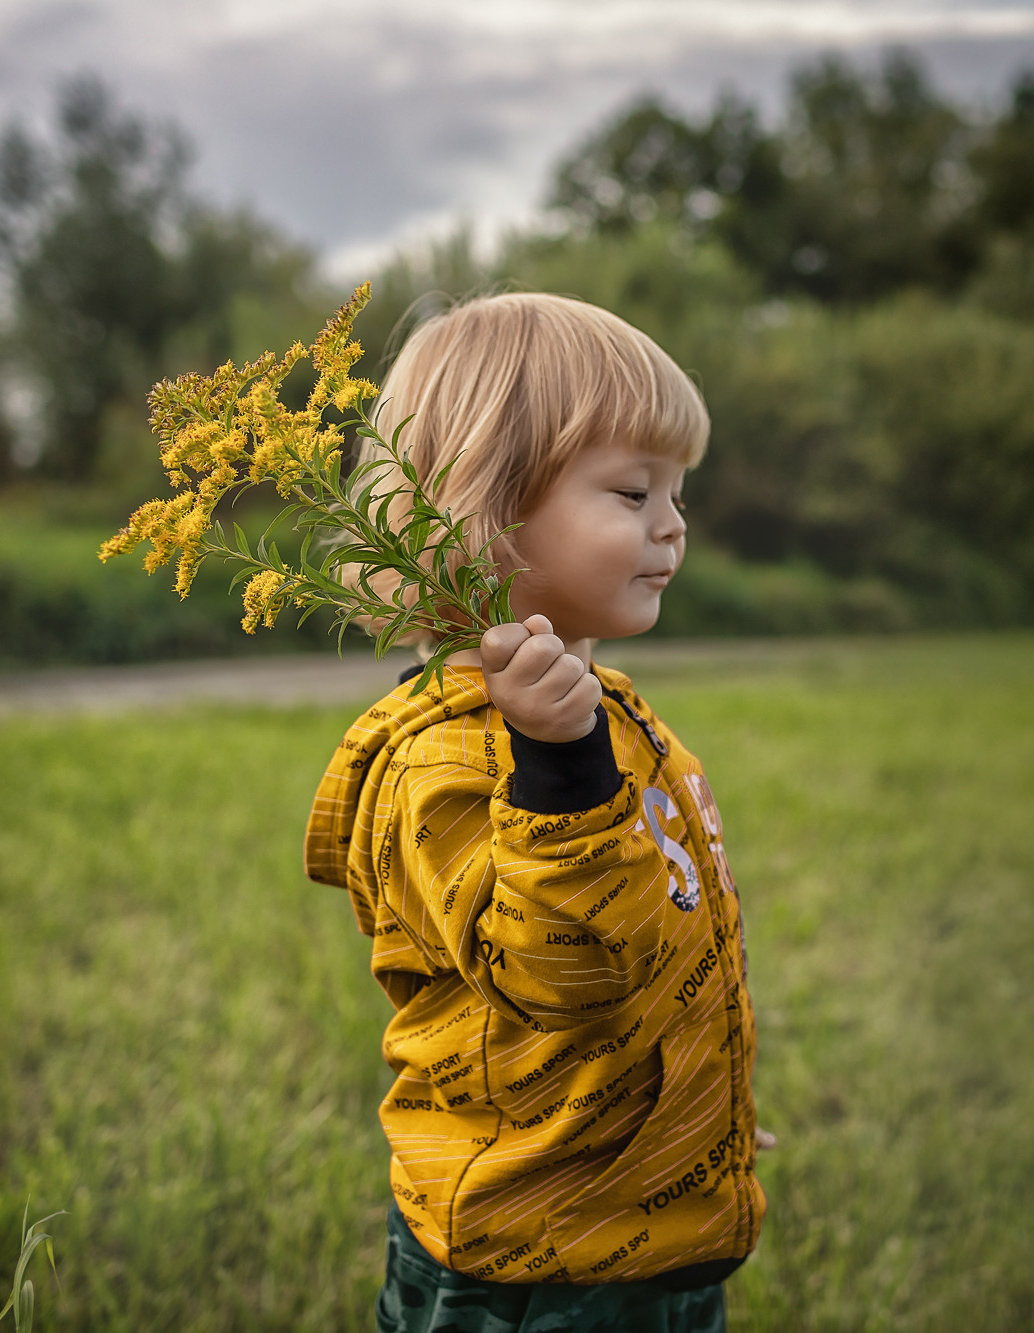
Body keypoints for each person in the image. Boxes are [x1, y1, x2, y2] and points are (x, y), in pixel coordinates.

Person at [304, 293, 764, 1333]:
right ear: (485, 504)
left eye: (676, 491)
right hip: (533, 1270)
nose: (672, 523)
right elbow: (561, 975)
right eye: (632, 489)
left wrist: (691, 1107)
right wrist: (559, 770)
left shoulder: (614, 715)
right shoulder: (443, 759)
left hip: (646, 1222)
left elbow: (656, 951)